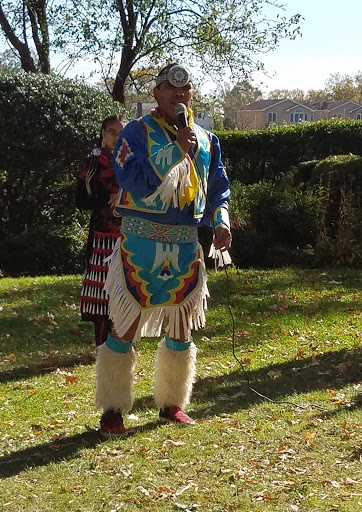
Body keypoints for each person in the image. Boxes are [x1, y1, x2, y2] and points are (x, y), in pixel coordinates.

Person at [95, 64, 232, 437]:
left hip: (186, 244)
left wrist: (221, 220)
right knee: (126, 323)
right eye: (171, 90)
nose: (179, 96)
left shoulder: (206, 139)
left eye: (185, 90)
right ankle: (112, 409)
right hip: (141, 241)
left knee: (181, 324)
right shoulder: (136, 134)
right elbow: (131, 178)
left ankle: (172, 404)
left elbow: (218, 186)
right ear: (156, 94)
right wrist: (174, 152)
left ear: (191, 95)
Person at [75, 114, 127, 346]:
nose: (116, 137)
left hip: (129, 232)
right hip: (103, 236)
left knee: (125, 287)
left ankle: (123, 340)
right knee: (101, 292)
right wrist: (106, 200)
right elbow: (80, 200)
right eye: (111, 132)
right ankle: (102, 343)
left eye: (120, 132)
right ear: (103, 134)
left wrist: (126, 198)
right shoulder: (93, 162)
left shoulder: (132, 159)